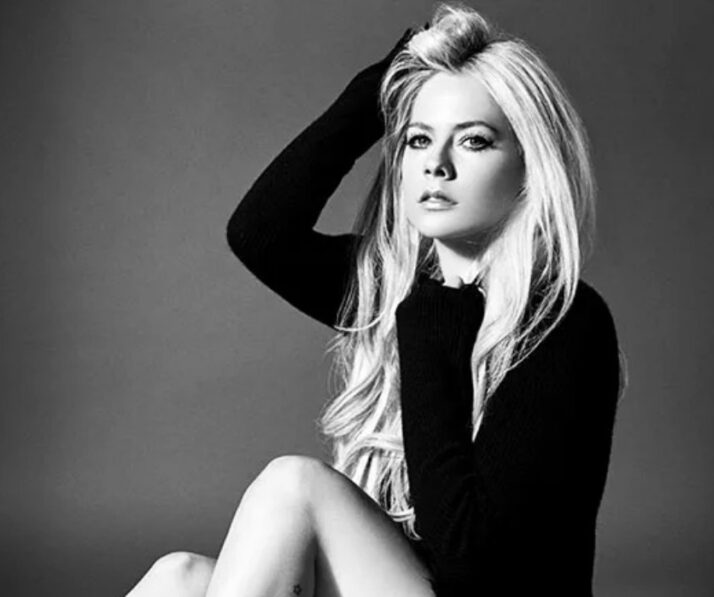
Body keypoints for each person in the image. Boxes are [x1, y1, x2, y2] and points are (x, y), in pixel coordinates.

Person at [128, 4, 623, 596]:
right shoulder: (393, 289)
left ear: (529, 166)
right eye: (418, 139)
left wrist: (432, 322)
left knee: (294, 487)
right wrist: (377, 91)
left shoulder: (563, 322)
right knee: (179, 578)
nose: (436, 165)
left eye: (473, 141)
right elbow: (261, 233)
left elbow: (471, 562)